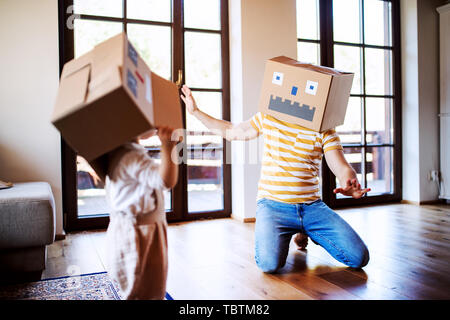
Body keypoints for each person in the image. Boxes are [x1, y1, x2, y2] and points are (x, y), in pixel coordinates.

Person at [180, 85, 370, 273]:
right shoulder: (270, 116)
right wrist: (195, 111)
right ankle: (292, 231)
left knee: (358, 257)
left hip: (312, 207)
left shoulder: (324, 128)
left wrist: (349, 181)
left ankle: (307, 230)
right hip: (273, 206)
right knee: (269, 265)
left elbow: (340, 165)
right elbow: (232, 130)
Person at [104, 126, 178, 299]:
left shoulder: (123, 152)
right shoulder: (131, 157)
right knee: (144, 291)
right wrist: (168, 146)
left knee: (144, 288)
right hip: (138, 237)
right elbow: (165, 180)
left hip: (134, 231)